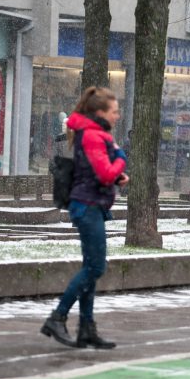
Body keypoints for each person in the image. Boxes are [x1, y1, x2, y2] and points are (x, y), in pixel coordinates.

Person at [41, 87, 128, 350]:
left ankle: (87, 329)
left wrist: (116, 176)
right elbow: (103, 173)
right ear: (100, 112)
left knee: (91, 267)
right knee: (95, 268)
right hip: (87, 206)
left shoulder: (96, 134)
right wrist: (121, 160)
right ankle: (58, 316)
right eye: (114, 111)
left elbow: (99, 172)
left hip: (93, 204)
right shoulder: (92, 136)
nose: (118, 116)